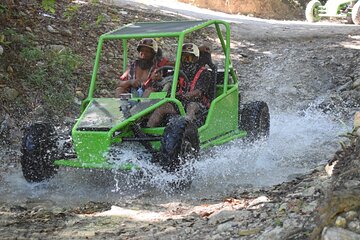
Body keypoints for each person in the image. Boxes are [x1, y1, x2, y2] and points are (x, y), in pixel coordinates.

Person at [146, 43, 213, 127]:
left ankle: (188, 130)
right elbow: (166, 83)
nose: (186, 61)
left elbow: (198, 93)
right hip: (180, 102)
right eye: (183, 58)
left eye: (189, 58)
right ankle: (146, 131)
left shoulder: (204, 73)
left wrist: (182, 95)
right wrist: (158, 80)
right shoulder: (178, 71)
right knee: (161, 107)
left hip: (198, 103)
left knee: (191, 107)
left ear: (196, 59)